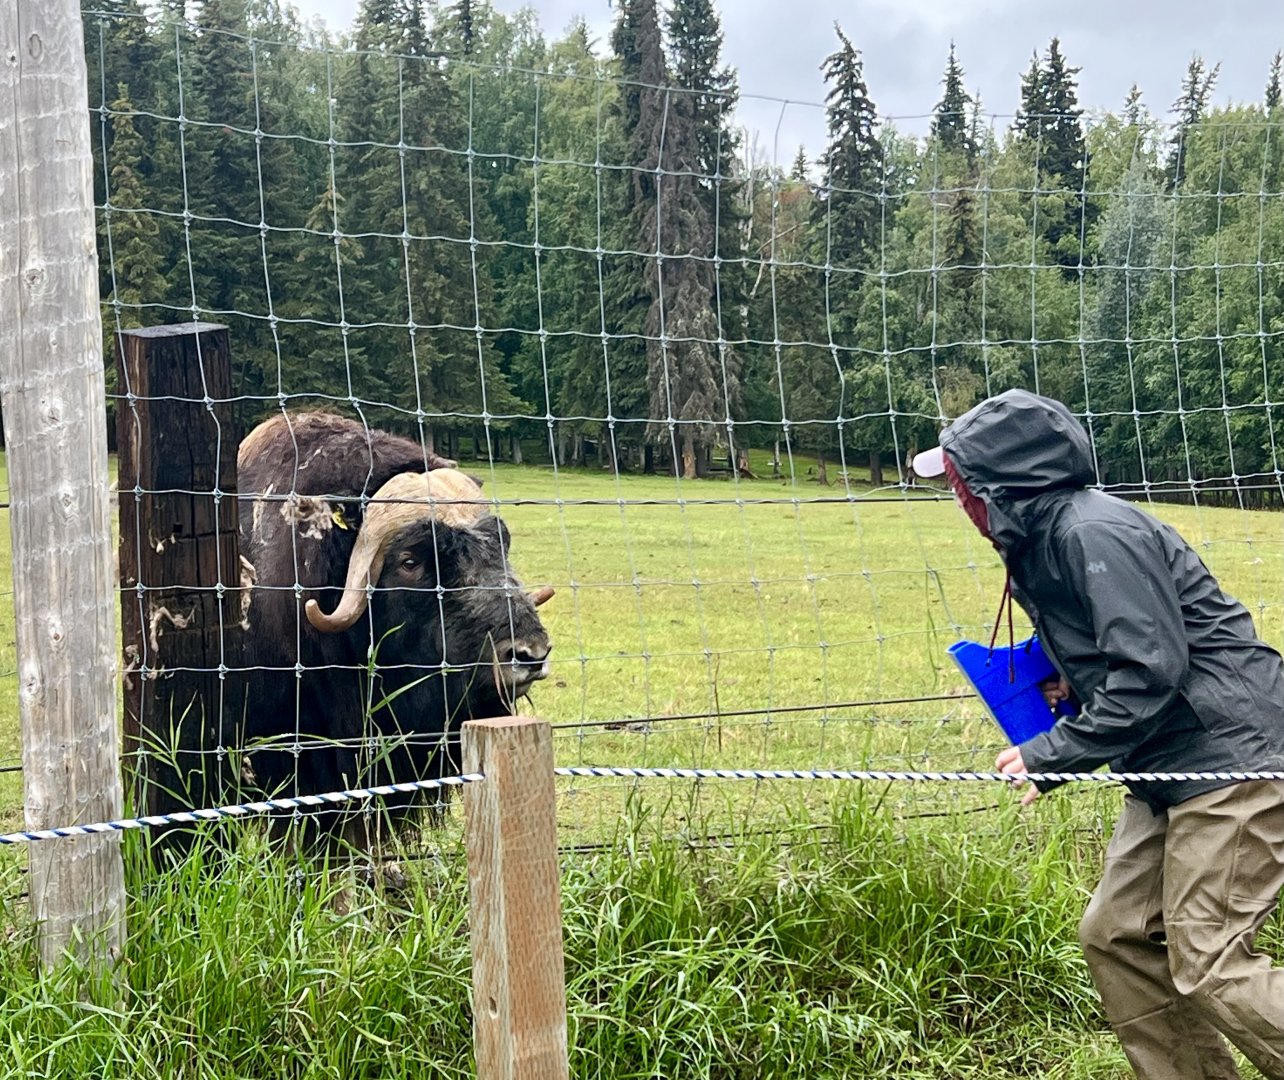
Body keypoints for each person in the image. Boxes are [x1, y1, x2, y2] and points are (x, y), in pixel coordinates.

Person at [912, 388, 1284, 1080]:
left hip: (1231, 754)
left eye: (962, 483)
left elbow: (1150, 670)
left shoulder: (1092, 532)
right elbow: (1135, 648)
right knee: (1114, 934)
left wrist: (1051, 755)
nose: (958, 499)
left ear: (1003, 483)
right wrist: (1068, 682)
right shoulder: (1045, 537)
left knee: (1208, 955)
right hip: (1168, 761)